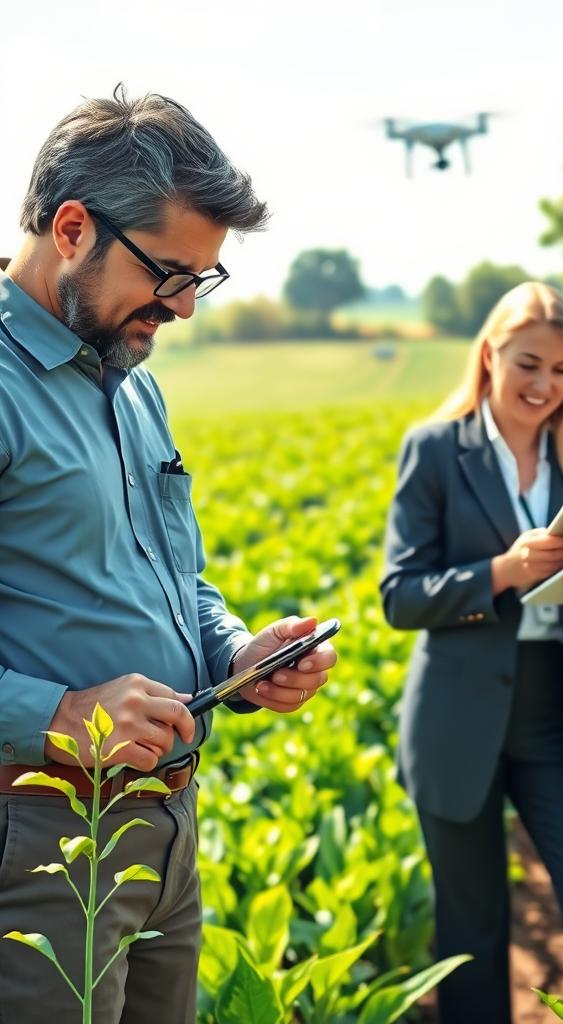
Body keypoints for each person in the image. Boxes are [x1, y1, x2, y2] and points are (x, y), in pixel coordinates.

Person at [0, 88, 337, 1023]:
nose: (185, 307)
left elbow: (171, 574)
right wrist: (60, 712)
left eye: (204, 278)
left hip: (165, 825)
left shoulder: (129, 376)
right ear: (72, 228)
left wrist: (234, 652)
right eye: (170, 272)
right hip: (39, 837)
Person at [380, 282, 563, 1024]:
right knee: (473, 928)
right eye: (528, 364)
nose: (544, 386)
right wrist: (503, 572)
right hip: (457, 718)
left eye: (561, 371)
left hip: (554, 713)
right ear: (489, 354)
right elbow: (400, 594)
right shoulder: (435, 450)